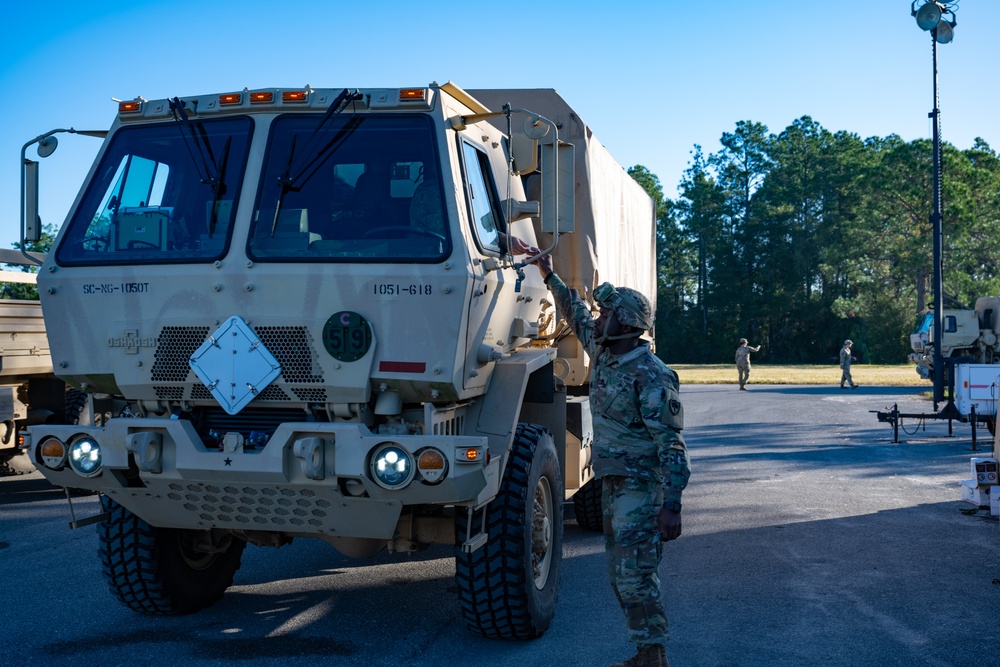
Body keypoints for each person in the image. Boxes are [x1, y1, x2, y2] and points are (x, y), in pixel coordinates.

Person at [513, 238, 690, 667]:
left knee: (637, 575)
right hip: (613, 486)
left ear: (626, 324)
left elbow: (673, 446)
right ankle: (646, 652)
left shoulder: (651, 376)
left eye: (607, 313)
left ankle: (654, 656)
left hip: (641, 491)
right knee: (619, 573)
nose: (599, 317)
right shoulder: (609, 355)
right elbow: (575, 313)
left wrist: (672, 506)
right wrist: (548, 271)